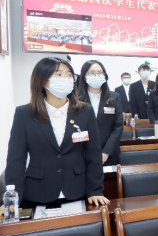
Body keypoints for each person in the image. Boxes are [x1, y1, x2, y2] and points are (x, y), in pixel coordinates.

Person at [5, 57, 109, 207]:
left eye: (69, 75)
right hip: (37, 192)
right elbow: (16, 159)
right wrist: (12, 200)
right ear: (42, 80)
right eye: (59, 74)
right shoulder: (24, 114)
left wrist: (95, 190)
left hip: (77, 190)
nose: (66, 79)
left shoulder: (85, 111)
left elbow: (94, 154)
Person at [76, 60, 124, 166]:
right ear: (84, 77)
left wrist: (106, 152)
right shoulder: (76, 99)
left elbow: (118, 127)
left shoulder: (114, 97)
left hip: (109, 154)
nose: (96, 76)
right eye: (92, 73)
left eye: (100, 73)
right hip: (82, 155)